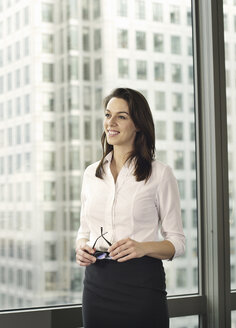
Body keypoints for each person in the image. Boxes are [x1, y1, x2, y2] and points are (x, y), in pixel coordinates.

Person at [75, 87, 185, 328]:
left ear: (138, 124)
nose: (111, 122)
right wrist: (81, 247)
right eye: (107, 115)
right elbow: (84, 231)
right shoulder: (91, 174)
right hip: (96, 284)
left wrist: (142, 247)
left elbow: (177, 243)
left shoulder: (160, 174)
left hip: (141, 285)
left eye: (121, 116)